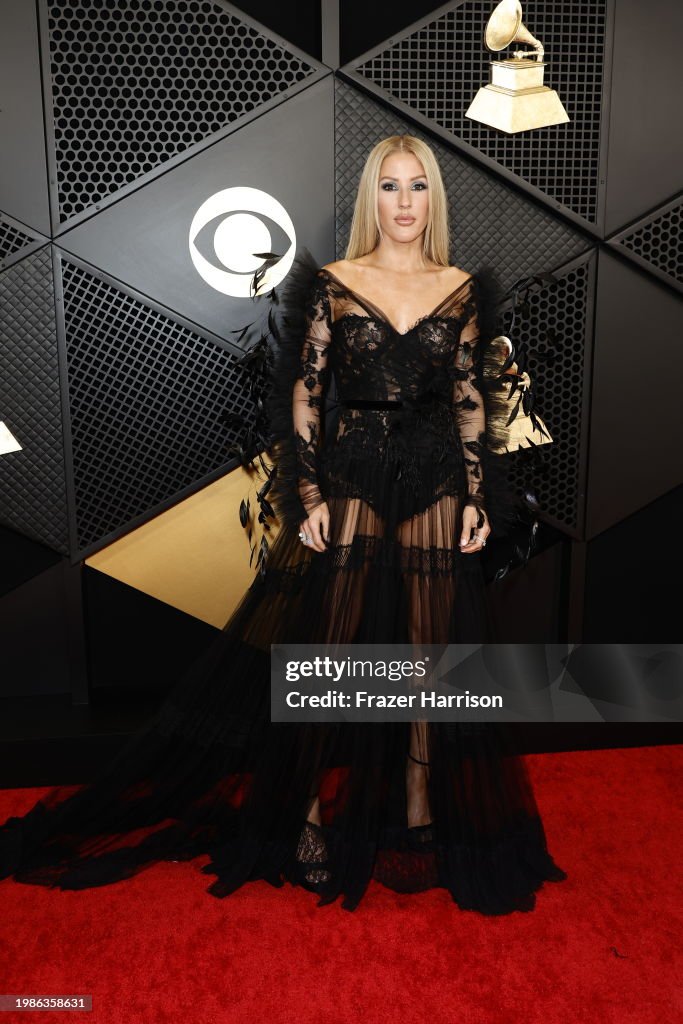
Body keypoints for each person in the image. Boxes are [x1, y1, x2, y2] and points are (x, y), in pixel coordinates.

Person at [0, 134, 567, 914]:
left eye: (417, 187)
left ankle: (416, 805)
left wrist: (475, 496)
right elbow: (305, 391)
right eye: (389, 187)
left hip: (436, 480)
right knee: (326, 661)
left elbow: (468, 399)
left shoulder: (460, 289)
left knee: (428, 660)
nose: (403, 202)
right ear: (372, 198)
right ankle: (303, 814)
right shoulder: (336, 282)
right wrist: (308, 494)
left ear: (433, 199)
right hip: (354, 476)